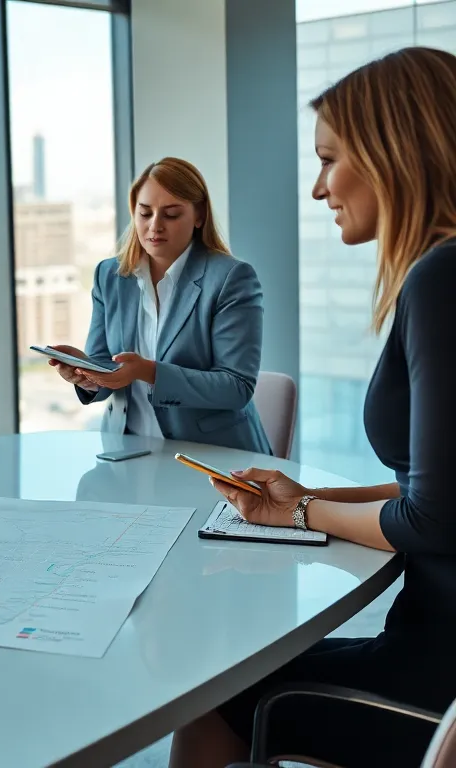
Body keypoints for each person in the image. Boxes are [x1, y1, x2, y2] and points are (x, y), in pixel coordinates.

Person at [170, 47, 456, 767]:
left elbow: (435, 516)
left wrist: (296, 513)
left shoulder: (442, 280)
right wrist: (313, 496)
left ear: (394, 155)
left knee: (210, 695)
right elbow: (443, 486)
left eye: (330, 160)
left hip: (434, 684)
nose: (318, 188)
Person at [49, 157, 272, 454]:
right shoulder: (110, 275)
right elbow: (107, 367)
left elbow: (235, 387)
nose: (154, 226)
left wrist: (148, 371)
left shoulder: (231, 278)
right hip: (126, 452)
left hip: (214, 457)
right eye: (145, 213)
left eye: (171, 214)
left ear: (199, 216)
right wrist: (87, 375)